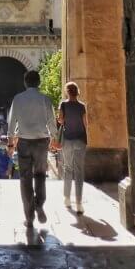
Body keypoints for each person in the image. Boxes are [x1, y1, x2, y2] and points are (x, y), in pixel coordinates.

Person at [7, 70, 58, 228]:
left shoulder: (18, 99)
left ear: (25, 82)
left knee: (25, 178)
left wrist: (10, 141)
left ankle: (29, 215)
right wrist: (54, 137)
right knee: (41, 175)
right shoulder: (45, 99)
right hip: (42, 141)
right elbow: (51, 119)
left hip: (24, 141)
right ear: (39, 82)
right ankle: (39, 204)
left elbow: (12, 120)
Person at [58, 81, 88, 214]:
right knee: (79, 171)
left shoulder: (63, 105)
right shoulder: (82, 106)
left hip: (68, 140)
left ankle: (67, 198)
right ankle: (79, 202)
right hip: (80, 139)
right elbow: (85, 123)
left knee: (68, 168)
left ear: (67, 92)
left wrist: (63, 120)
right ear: (77, 92)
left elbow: (61, 120)